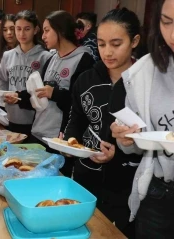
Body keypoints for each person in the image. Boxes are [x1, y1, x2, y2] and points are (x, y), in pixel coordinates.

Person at [64, 8, 142, 237]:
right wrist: (70, 142)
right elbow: (76, 119)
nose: (107, 52)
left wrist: (117, 153)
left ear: (135, 41)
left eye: (116, 44)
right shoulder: (87, 79)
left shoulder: (145, 84)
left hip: (126, 184)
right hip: (85, 176)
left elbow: (153, 137)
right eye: (101, 44)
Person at [110, 0, 174, 238]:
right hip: (160, 194)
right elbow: (136, 145)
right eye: (166, 22)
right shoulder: (145, 73)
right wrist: (126, 138)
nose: (173, 34)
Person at [25, 11, 94, 177]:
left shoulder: (84, 60)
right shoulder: (51, 58)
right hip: (39, 132)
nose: (43, 36)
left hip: (60, 140)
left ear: (61, 31)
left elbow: (82, 105)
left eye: (47, 30)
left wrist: (54, 93)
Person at [0, 10, 52, 137]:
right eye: (18, 29)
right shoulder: (8, 55)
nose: (22, 33)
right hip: (12, 117)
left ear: (36, 30)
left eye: (27, 29)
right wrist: (5, 95)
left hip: (36, 119)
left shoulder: (45, 56)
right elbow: (2, 79)